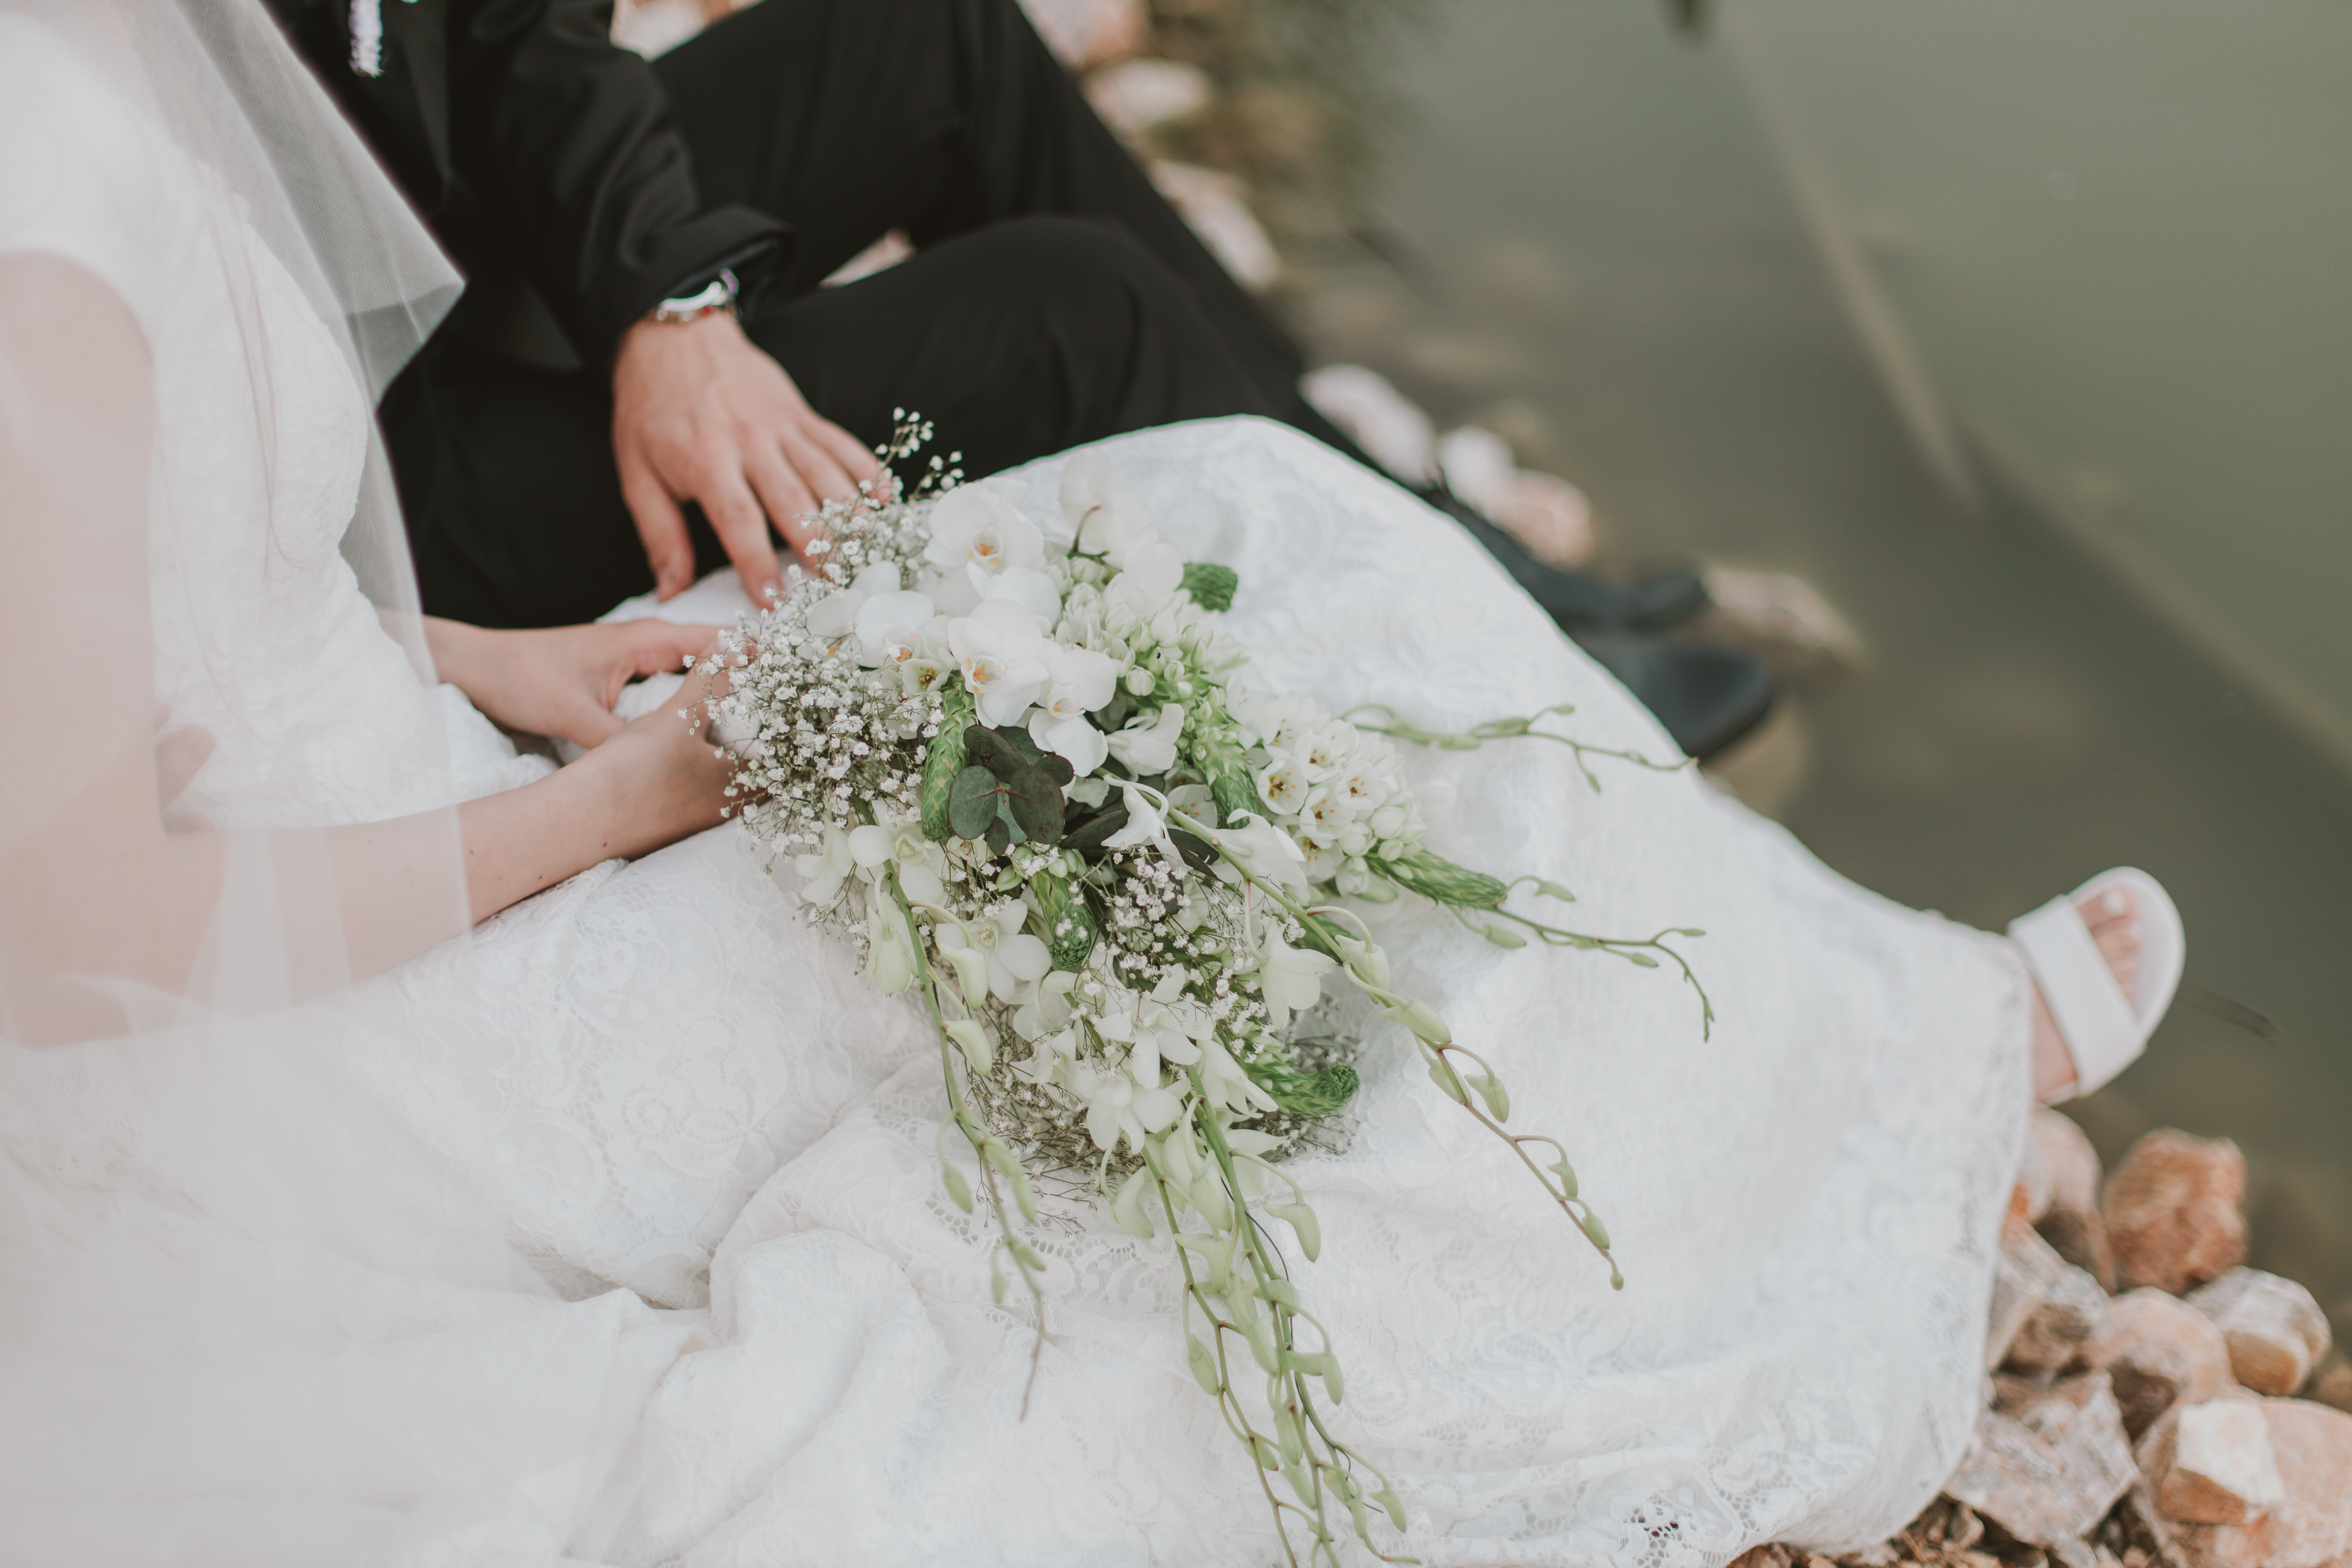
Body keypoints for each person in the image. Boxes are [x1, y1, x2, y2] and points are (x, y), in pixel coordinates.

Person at [0, 1, 2174, 1561]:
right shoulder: (60, 193)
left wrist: (483, 656)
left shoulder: (126, 89)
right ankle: (1796, 1060)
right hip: (319, 976)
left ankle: (1807, 978)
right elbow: (71, 920)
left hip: (398, 705)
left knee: (1200, 569)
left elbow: (180, 588)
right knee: (1085, 751)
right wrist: (621, 802)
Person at [263, 0, 1774, 758]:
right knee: (1075, 310)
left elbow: (507, 26)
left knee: (934, 36)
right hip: (353, 473)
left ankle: (1420, 527)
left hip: (436, 246)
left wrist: (670, 299)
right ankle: (1475, 673)